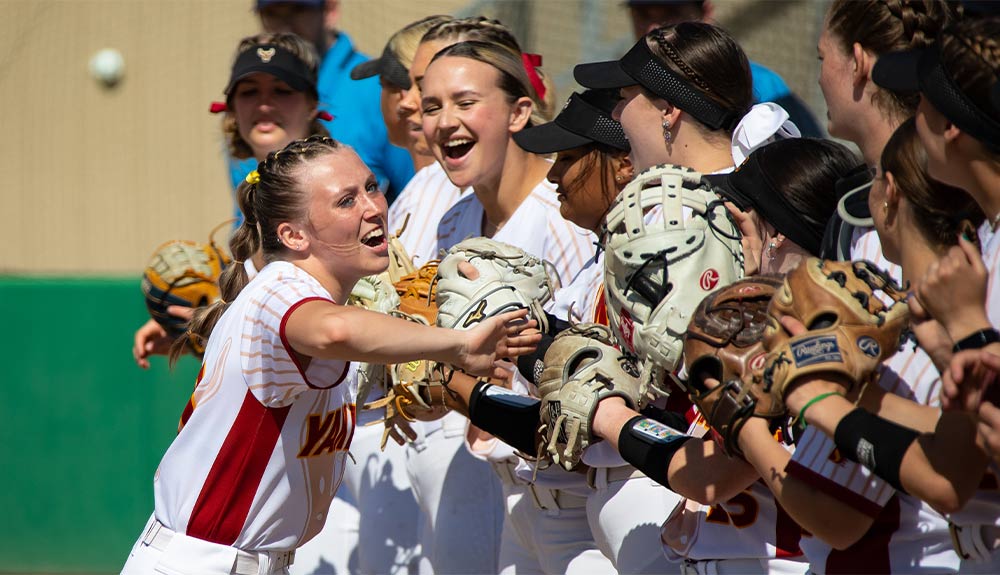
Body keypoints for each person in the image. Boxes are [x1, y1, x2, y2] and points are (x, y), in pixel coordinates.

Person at [120, 135, 537, 575]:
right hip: (203, 562)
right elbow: (332, 330)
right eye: (345, 201)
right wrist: (459, 343)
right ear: (293, 234)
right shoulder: (280, 287)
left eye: (372, 187)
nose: (373, 207)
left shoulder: (299, 293)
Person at [420, 39, 604, 574]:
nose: (445, 121)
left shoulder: (562, 214)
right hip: (507, 483)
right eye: (432, 106)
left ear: (520, 111)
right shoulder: (453, 223)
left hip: (579, 494)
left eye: (464, 101)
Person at [871, 16, 1000, 567]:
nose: (910, 118)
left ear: (950, 127)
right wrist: (952, 349)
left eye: (921, 102)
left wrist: (825, 401)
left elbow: (955, 473)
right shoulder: (987, 241)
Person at [133, 32, 327, 370]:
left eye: (282, 90)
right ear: (232, 109)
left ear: (313, 104)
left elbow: (319, 323)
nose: (265, 104)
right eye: (250, 92)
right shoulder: (257, 195)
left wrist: (221, 323)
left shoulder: (334, 190)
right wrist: (202, 320)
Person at [229, 0, 414, 205]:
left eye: (298, 10)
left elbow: (418, 191)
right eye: (273, 13)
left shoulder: (376, 87)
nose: (264, 104)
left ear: (330, 10)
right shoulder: (254, 126)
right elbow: (243, 217)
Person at [815, 0, 956, 262]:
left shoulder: (938, 205)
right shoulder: (955, 181)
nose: (820, 77)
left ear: (858, 63)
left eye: (821, 57)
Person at [624, 0, 824, 139]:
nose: (654, 29)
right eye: (643, 15)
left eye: (672, 15)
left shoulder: (760, 85)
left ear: (706, 13)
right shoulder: (622, 83)